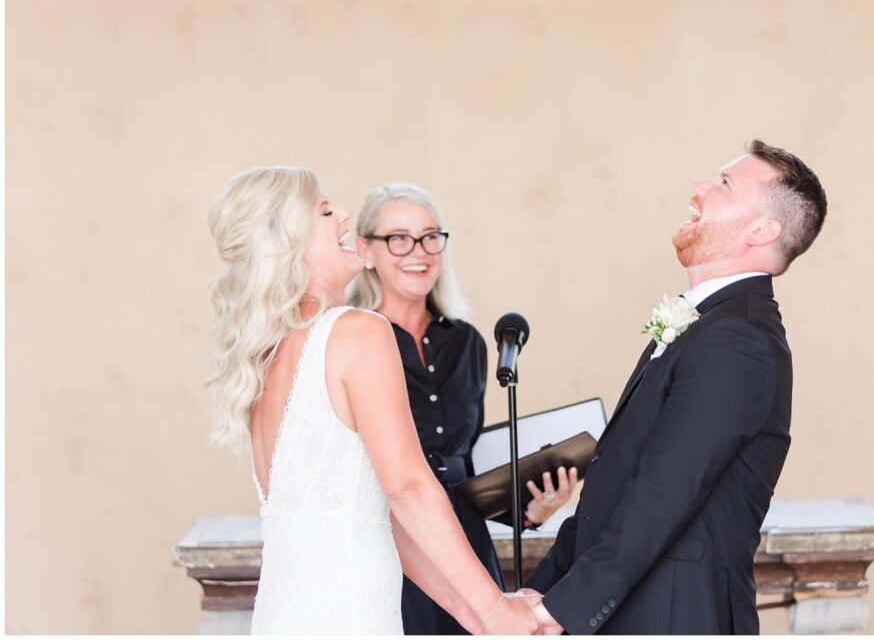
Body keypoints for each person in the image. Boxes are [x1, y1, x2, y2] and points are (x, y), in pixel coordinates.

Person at [205, 167, 541, 635]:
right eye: (325, 211)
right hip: (348, 611)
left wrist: (473, 613)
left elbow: (381, 515)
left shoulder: (266, 354)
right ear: (289, 240)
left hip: (286, 614)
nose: (344, 214)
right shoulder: (358, 332)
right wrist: (496, 611)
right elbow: (408, 489)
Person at [523, 140, 828, 635]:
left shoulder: (740, 340)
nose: (700, 187)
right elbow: (615, 487)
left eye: (724, 183)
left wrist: (556, 613)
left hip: (674, 616)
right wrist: (542, 588)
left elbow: (662, 498)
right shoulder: (708, 325)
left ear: (761, 230)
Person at [348, 182, 577, 634]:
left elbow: (466, 462)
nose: (419, 250)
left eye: (431, 236)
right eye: (398, 237)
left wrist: (527, 510)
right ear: (366, 251)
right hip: (386, 539)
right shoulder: (351, 339)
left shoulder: (467, 342)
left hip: (463, 544)